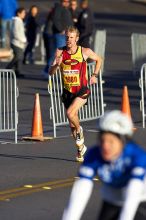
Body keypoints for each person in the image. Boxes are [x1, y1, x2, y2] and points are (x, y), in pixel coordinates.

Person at [62, 110, 146, 220]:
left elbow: (132, 192)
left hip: (138, 200)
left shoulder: (136, 156)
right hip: (111, 199)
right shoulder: (94, 154)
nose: (105, 146)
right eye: (103, 140)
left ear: (123, 141)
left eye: (111, 141)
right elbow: (81, 190)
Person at [49, 26, 102, 162]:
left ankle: (80, 130)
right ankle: (80, 149)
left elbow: (99, 59)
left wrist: (94, 75)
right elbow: (51, 72)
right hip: (68, 92)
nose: (69, 40)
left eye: (71, 37)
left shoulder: (84, 51)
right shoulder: (60, 52)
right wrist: (56, 65)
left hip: (81, 90)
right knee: (72, 125)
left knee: (70, 114)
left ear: (76, 39)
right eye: (67, 37)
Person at [6, 7, 26, 77]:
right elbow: (16, 32)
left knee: (20, 57)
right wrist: (23, 40)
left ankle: (18, 71)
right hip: (16, 42)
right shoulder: (17, 21)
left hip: (19, 43)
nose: (24, 14)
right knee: (18, 56)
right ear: (18, 13)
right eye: (23, 13)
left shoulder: (19, 20)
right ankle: (7, 69)